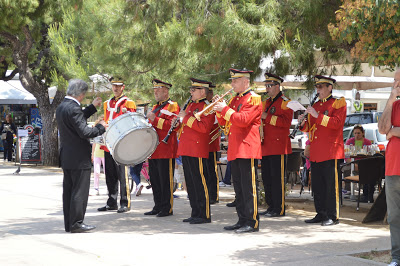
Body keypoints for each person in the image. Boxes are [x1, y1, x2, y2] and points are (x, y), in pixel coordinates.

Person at [214, 68, 262, 233]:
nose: (232, 84)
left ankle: (252, 221)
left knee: (249, 188)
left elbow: (243, 120)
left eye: (235, 81)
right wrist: (219, 110)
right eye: (232, 81)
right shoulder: (235, 99)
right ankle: (242, 220)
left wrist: (225, 109)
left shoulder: (254, 99)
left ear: (245, 81)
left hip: (247, 148)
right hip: (235, 148)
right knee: (239, 188)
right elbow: (227, 123)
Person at [56, 79, 106, 233]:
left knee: (69, 191)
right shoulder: (74, 108)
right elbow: (84, 132)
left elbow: (75, 119)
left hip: (67, 156)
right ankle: (77, 223)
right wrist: (100, 127)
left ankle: (69, 223)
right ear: (81, 94)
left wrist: (92, 107)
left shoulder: (62, 106)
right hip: (79, 157)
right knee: (80, 191)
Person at [299, 75, 346, 226]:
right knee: (318, 186)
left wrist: (316, 115)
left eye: (320, 87)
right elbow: (310, 128)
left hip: (331, 151)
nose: (318, 90)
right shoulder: (317, 105)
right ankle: (321, 213)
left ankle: (333, 216)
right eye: (317, 87)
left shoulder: (338, 103)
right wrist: (302, 122)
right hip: (317, 152)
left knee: (331, 186)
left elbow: (337, 124)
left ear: (329, 87)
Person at [176, 78, 215, 224]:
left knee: (200, 182)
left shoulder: (207, 106)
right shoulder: (191, 105)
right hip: (187, 148)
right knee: (191, 183)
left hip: (197, 149)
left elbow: (204, 128)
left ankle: (204, 214)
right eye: (191, 89)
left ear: (203, 91)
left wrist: (185, 117)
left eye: (194, 90)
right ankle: (195, 212)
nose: (191, 92)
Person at [97, 77, 136, 213]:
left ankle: (125, 203)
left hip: (122, 143)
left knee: (122, 174)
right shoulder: (107, 103)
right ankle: (111, 202)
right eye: (114, 86)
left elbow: (131, 121)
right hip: (109, 142)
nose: (116, 88)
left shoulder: (129, 103)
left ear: (123, 87)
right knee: (110, 174)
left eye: (118, 86)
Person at [144, 79, 180, 217]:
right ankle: (157, 205)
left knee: (165, 181)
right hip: (153, 149)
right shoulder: (155, 107)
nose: (155, 92)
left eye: (158, 90)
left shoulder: (172, 106)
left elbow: (174, 126)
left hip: (166, 149)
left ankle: (167, 208)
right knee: (155, 180)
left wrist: (155, 119)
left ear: (166, 91)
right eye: (154, 90)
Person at [260, 73, 293, 217]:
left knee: (277, 179)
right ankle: (271, 206)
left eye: (270, 86)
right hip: (266, 145)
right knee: (267, 178)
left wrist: (267, 117)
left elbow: (286, 123)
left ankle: (278, 208)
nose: (267, 88)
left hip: (279, 146)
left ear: (278, 86)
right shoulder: (266, 102)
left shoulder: (286, 102)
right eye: (266, 85)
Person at [378, 68, 400, 266]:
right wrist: (390, 102)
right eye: (394, 80)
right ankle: (397, 257)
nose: (394, 84)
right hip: (393, 168)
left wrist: (395, 131)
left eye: (397, 80)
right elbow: (382, 129)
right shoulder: (394, 105)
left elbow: (390, 131)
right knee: (394, 217)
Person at [345, 125, 373, 203]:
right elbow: (346, 156)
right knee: (348, 169)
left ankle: (366, 194)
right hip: (352, 162)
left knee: (368, 171)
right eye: (355, 133)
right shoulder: (350, 141)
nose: (357, 135)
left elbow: (370, 155)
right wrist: (353, 164)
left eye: (359, 133)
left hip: (364, 163)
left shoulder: (367, 142)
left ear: (363, 133)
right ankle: (349, 190)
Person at [206, 86, 221, 204]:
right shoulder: (204, 105)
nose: (208, 94)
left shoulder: (215, 106)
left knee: (212, 171)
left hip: (212, 143)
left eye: (210, 92)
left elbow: (216, 121)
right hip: (203, 144)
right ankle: (206, 194)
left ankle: (214, 196)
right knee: (204, 171)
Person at [91, 116, 106, 196]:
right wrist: (92, 154)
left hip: (104, 154)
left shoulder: (106, 133)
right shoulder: (97, 133)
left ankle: (109, 188)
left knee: (107, 172)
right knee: (96, 172)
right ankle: (96, 188)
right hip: (97, 154)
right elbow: (94, 143)